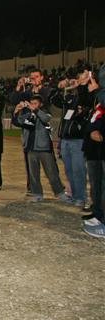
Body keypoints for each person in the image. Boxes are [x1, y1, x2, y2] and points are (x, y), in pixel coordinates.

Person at [15, 95, 71, 203]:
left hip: (44, 148)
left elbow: (46, 118)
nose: (32, 105)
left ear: (40, 104)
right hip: (30, 148)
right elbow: (18, 122)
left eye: (35, 103)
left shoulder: (45, 112)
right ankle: (37, 194)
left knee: (51, 172)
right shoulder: (28, 114)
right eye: (31, 103)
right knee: (33, 173)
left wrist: (35, 110)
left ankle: (60, 193)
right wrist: (17, 111)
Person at [49, 70, 92, 208]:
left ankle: (81, 197)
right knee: (69, 170)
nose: (77, 81)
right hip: (66, 139)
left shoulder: (87, 97)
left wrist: (81, 85)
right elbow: (54, 100)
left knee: (79, 170)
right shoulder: (71, 99)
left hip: (78, 139)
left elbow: (86, 99)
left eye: (80, 79)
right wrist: (59, 88)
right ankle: (75, 195)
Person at [82, 102, 105, 238]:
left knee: (102, 186)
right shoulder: (97, 106)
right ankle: (98, 213)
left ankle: (102, 217)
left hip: (101, 149)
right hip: (93, 151)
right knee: (96, 184)